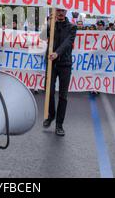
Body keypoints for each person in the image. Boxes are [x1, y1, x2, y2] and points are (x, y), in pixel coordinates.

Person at [41, 8, 77, 136]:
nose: (60, 12)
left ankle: (59, 125)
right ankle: (51, 115)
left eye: (63, 10)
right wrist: (48, 24)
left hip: (65, 64)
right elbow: (42, 36)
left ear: (66, 12)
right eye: (58, 10)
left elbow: (68, 43)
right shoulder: (51, 24)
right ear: (55, 11)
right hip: (51, 63)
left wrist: (57, 53)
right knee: (48, 92)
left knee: (63, 95)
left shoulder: (72, 27)